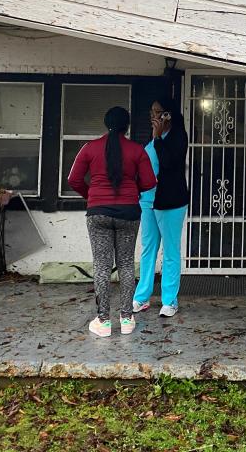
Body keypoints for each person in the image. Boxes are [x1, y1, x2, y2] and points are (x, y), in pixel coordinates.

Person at [67, 106, 156, 338]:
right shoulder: (137, 150)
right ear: (127, 126)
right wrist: (131, 191)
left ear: (106, 123)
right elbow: (150, 182)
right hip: (129, 212)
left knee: (102, 265)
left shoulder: (90, 148)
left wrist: (92, 196)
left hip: (98, 214)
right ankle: (127, 319)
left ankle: (103, 321)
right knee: (126, 264)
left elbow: (73, 179)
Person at [132, 98, 190, 318]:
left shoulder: (178, 137)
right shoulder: (153, 138)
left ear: (168, 115)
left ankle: (169, 300)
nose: (153, 117)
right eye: (151, 113)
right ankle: (142, 296)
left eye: (157, 113)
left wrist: (157, 138)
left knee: (171, 251)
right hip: (147, 200)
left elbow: (168, 163)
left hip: (171, 202)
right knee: (148, 248)